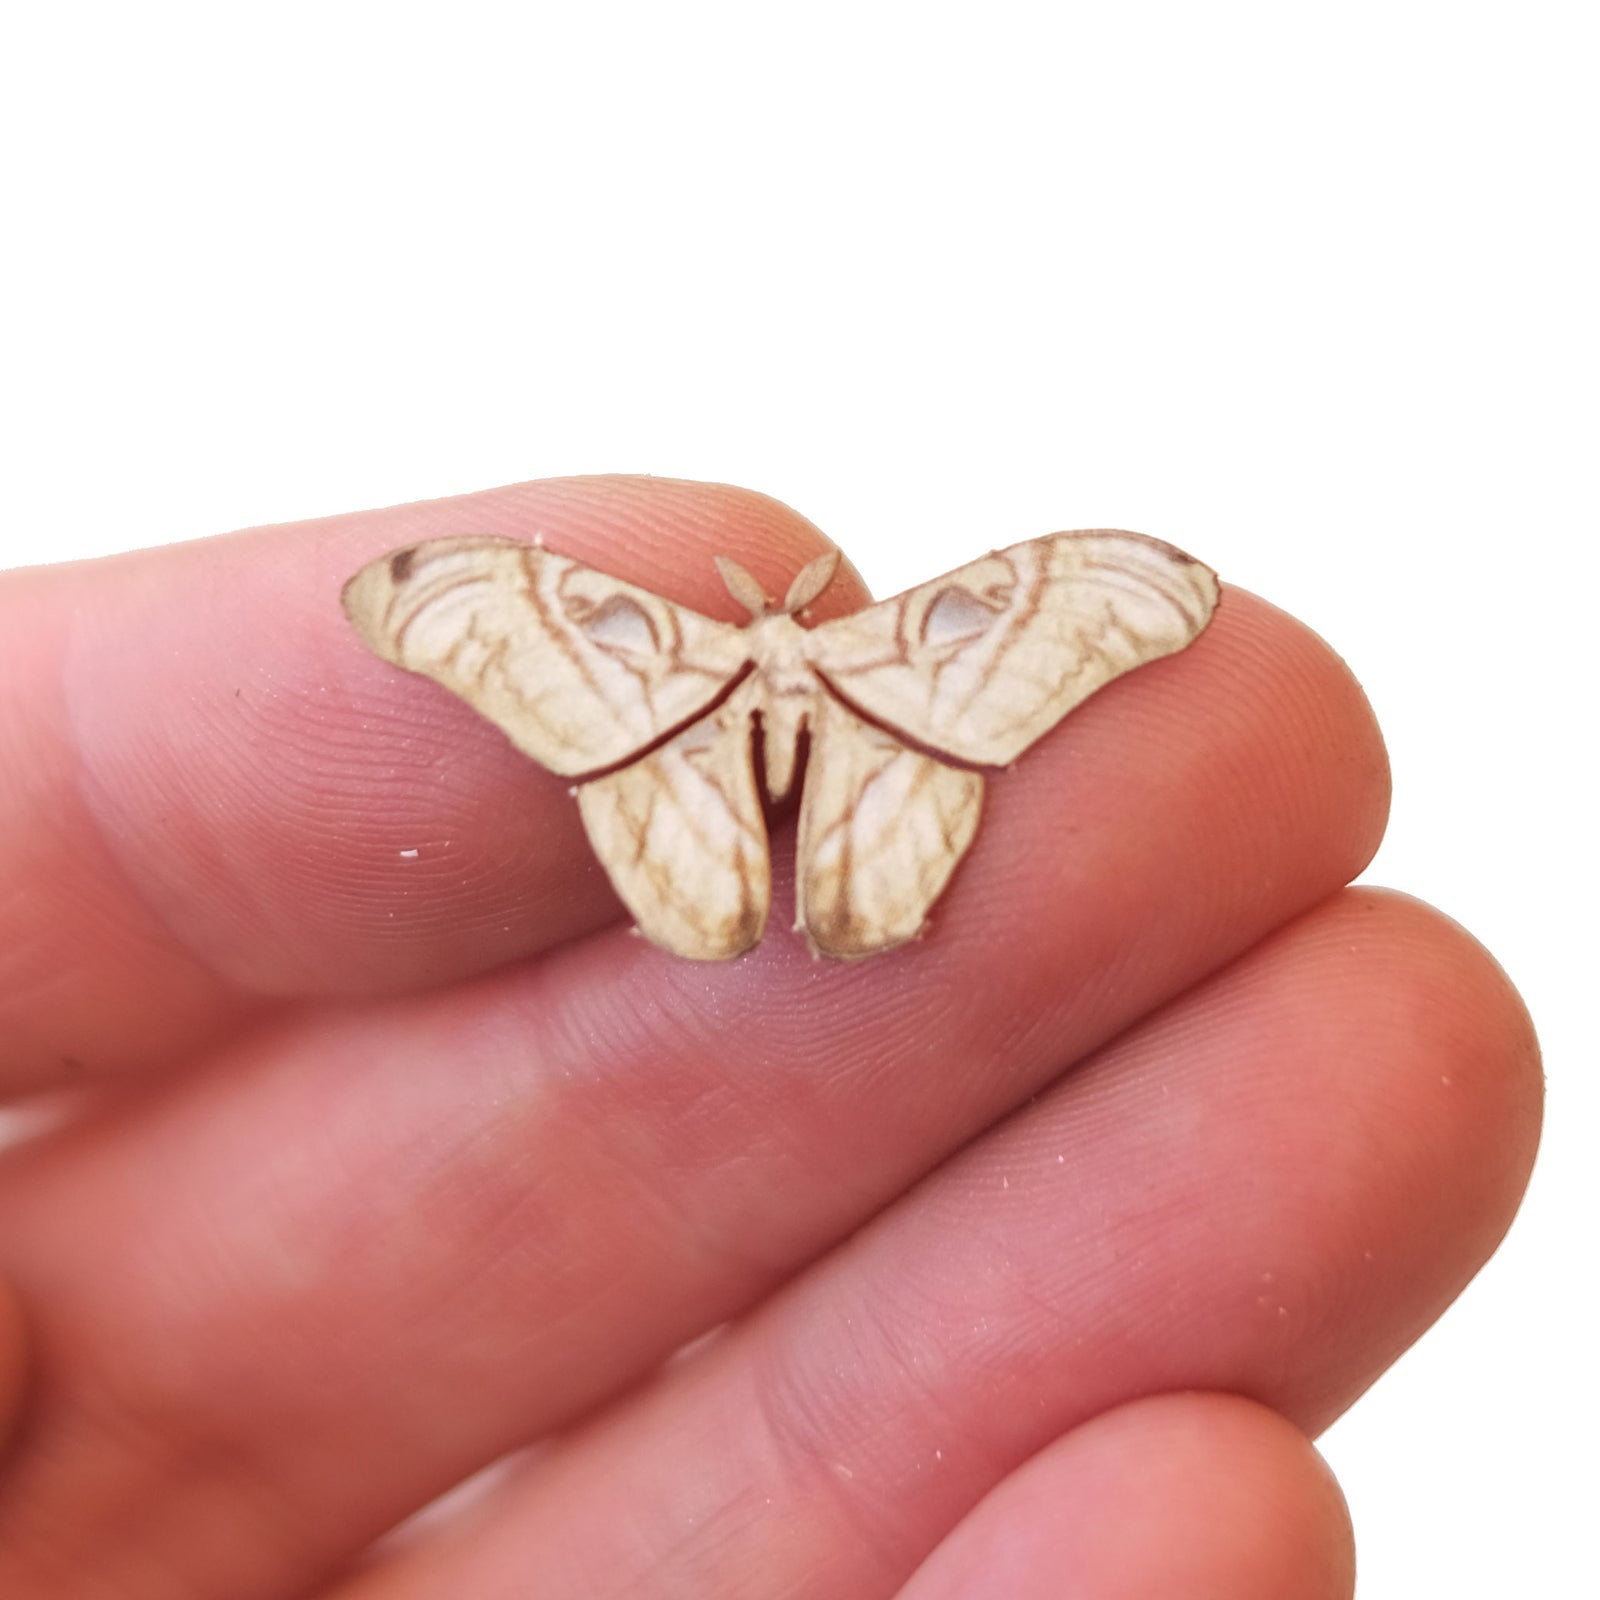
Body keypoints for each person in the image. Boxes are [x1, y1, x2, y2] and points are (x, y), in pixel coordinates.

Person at [0, 478, 1541, 1598]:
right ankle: (780, 885)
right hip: (861, 729)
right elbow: (442, 598)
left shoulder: (650, 638)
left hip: (730, 731)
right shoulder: (839, 639)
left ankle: (818, 888)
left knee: (845, 901)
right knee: (752, 893)